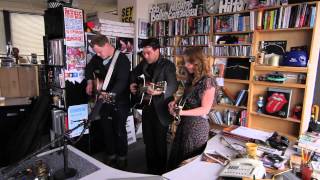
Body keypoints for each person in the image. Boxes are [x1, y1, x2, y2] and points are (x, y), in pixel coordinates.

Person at [130, 38, 178, 174]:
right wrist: (132, 84)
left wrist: (160, 90)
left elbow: (173, 84)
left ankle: (161, 172)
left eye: (148, 53)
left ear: (157, 50)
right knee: (148, 141)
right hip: (146, 107)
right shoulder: (144, 62)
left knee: (160, 142)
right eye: (143, 53)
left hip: (161, 109)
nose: (145, 56)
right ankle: (150, 170)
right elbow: (133, 73)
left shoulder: (167, 65)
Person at [85, 34, 131, 169]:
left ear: (107, 45)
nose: (98, 55)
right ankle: (111, 154)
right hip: (103, 101)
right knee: (106, 129)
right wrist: (89, 82)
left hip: (120, 101)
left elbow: (122, 82)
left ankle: (122, 157)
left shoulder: (122, 60)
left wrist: (110, 94)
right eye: (96, 52)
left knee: (119, 130)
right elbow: (88, 68)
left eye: (99, 51)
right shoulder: (98, 58)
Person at [167, 47, 217, 170]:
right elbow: (186, 98)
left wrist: (181, 112)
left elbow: (205, 109)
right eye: (185, 62)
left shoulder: (208, 81)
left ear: (198, 62)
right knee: (179, 158)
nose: (186, 65)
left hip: (196, 127)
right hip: (185, 124)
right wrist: (175, 102)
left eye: (189, 62)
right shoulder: (192, 79)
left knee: (188, 162)